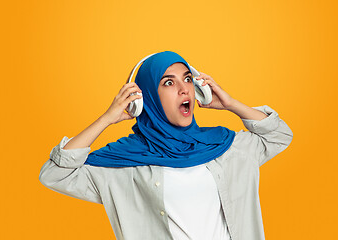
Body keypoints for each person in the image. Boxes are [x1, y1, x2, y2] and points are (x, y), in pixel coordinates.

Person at [39, 51, 293, 240]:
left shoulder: (227, 148)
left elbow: (279, 135)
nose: (184, 89)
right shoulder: (123, 165)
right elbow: (55, 174)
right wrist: (106, 118)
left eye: (187, 79)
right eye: (169, 83)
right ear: (145, 99)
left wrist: (231, 104)